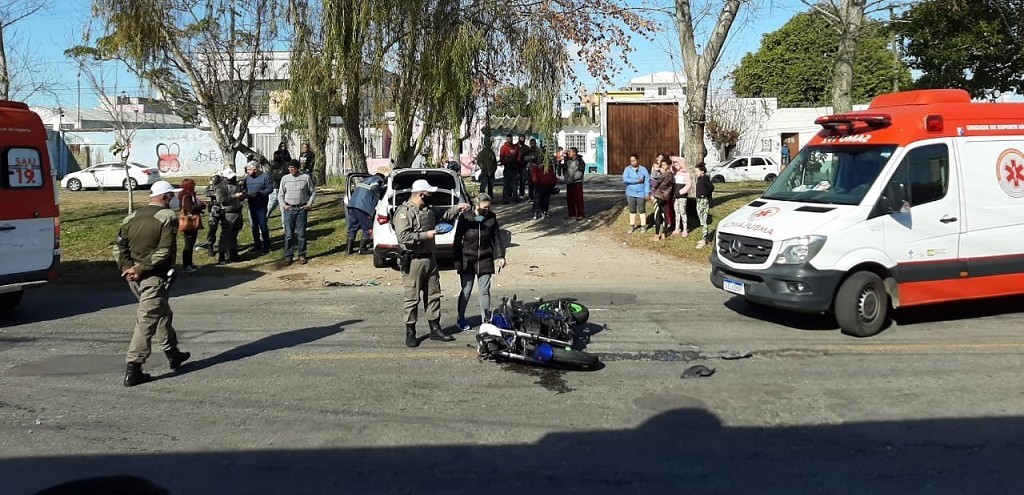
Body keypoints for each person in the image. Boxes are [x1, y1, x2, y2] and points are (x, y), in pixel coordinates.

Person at [114, 180, 191, 387]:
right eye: (171, 196)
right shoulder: (167, 216)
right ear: (165, 197)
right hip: (153, 275)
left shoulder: (131, 216)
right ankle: (134, 367)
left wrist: (128, 269)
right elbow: (164, 250)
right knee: (147, 320)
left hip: (134, 276)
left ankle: (173, 353)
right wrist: (139, 270)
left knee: (162, 312)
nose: (173, 199)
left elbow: (119, 247)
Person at [393, 179, 469, 347]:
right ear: (421, 194)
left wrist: (456, 209)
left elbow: (442, 217)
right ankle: (410, 331)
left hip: (430, 258)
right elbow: (403, 237)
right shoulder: (404, 213)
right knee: (412, 298)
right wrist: (426, 235)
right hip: (413, 260)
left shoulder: (427, 210)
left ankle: (435, 328)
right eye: (429, 194)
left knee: (433, 294)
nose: (431, 197)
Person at [453, 193, 505, 331]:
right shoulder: (465, 217)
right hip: (467, 259)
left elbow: (497, 238)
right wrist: (457, 261)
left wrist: (500, 256)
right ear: (476, 206)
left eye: (488, 208)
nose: (486, 211)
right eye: (483, 208)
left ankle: (486, 321)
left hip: (485, 258)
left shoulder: (491, 217)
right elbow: (457, 240)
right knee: (466, 290)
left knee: (484, 291)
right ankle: (461, 318)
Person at [279, 159, 316, 265]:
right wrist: (283, 205)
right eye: (289, 168)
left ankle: (302, 254)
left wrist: (309, 204)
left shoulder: (306, 178)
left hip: (301, 209)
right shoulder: (285, 179)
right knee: (289, 234)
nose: (291, 170)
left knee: (301, 233)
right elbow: (280, 194)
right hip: (289, 209)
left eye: (293, 168)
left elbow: (313, 192)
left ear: (297, 168)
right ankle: (288, 255)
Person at [346, 173, 385, 255]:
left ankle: (348, 250)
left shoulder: (364, 180)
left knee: (353, 227)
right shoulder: (378, 179)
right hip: (363, 206)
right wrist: (381, 195)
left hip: (351, 204)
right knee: (368, 228)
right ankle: (362, 249)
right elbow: (375, 188)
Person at [213, 169, 245, 265]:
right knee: (225, 235)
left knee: (234, 235)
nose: (232, 179)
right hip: (227, 213)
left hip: (237, 212)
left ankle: (233, 254)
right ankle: (222, 256)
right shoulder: (220, 187)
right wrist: (234, 196)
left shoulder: (236, 184)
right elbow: (222, 200)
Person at [243, 163, 273, 254]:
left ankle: (266, 246)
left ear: (255, 169)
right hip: (251, 205)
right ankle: (257, 245)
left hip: (261, 205)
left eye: (249, 170)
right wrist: (245, 194)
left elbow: (270, 189)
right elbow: (244, 188)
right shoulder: (247, 178)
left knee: (263, 225)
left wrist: (259, 193)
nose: (247, 172)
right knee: (253, 225)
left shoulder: (265, 176)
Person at [176, 179, 204, 272]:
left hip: (190, 222)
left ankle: (190, 263)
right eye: (193, 184)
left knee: (191, 244)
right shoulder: (187, 195)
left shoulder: (186, 194)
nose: (195, 185)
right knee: (188, 244)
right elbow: (189, 209)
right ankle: (186, 265)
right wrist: (200, 206)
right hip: (189, 223)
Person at [622, 154, 651, 234]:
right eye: (631, 161)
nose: (633, 162)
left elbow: (647, 182)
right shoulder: (627, 169)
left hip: (641, 193)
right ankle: (632, 225)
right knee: (632, 210)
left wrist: (647, 193)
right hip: (630, 193)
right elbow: (625, 179)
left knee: (642, 209)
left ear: (638, 160)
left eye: (634, 160)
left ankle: (643, 226)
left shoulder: (643, 169)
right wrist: (636, 181)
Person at [650, 159, 676, 241]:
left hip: (659, 196)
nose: (663, 167)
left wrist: (653, 188)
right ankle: (664, 233)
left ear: (669, 165)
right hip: (666, 197)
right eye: (662, 165)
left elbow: (657, 184)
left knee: (657, 215)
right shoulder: (672, 175)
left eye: (664, 165)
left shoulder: (664, 175)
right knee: (665, 215)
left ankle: (657, 234)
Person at [694, 163, 715, 249]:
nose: (696, 173)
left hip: (703, 201)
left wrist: (704, 195)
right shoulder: (700, 179)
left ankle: (705, 239)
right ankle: (704, 237)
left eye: (697, 171)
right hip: (698, 200)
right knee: (701, 220)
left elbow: (711, 187)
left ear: (702, 171)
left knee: (704, 220)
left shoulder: (705, 178)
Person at [199, 173, 221, 255]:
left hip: (222, 208)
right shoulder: (210, 187)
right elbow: (207, 193)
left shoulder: (222, 186)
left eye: (215, 180)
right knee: (212, 227)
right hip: (214, 209)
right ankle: (210, 245)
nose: (214, 181)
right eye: (213, 180)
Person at [669, 161, 692, 237]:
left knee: (683, 212)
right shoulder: (674, 173)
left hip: (682, 197)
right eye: (674, 165)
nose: (676, 166)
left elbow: (688, 184)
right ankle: (677, 228)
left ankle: (685, 229)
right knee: (676, 212)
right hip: (675, 197)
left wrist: (681, 192)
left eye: (677, 164)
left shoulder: (686, 173)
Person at [531, 155, 558, 219]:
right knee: (538, 199)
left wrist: (553, 182)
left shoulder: (550, 166)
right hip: (539, 185)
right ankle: (537, 212)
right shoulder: (537, 166)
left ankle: (544, 211)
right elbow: (534, 174)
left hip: (548, 185)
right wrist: (536, 182)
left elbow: (552, 174)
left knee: (546, 199)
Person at [564, 147, 587, 221]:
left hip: (577, 182)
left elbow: (580, 172)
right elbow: (565, 170)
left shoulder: (580, 161)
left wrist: (573, 178)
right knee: (570, 199)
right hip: (569, 182)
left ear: (574, 153)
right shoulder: (567, 160)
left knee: (578, 199)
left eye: (570, 152)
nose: (568, 153)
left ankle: (580, 214)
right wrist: (567, 178)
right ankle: (571, 213)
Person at [499, 134, 518, 202]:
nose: (510, 140)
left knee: (515, 184)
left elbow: (518, 156)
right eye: (508, 139)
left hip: (514, 168)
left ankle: (515, 197)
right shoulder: (504, 147)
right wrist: (505, 163)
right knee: (506, 183)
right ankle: (505, 198)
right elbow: (501, 157)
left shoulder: (515, 147)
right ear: (506, 139)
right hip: (507, 168)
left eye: (511, 139)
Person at [519, 135, 535, 200]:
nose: (522, 139)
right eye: (521, 138)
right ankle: (511, 195)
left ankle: (522, 194)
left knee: (523, 181)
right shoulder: (516, 147)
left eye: (523, 138)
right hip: (516, 165)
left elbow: (529, 157)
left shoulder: (527, 148)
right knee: (514, 182)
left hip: (524, 166)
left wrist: (527, 159)